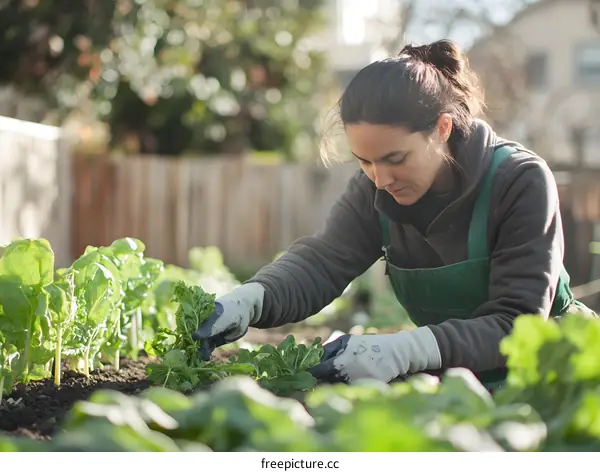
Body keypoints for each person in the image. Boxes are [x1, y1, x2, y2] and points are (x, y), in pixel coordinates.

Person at [192, 39, 595, 390]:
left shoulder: (518, 180)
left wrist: (407, 348)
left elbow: (517, 324)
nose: (380, 179)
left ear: (442, 128)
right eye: (364, 161)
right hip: (457, 387)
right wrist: (252, 299)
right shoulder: (375, 187)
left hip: (556, 381)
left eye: (395, 158)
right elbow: (324, 261)